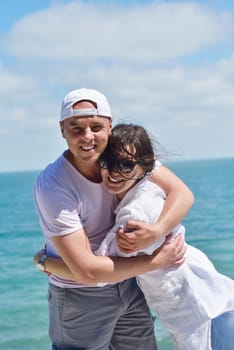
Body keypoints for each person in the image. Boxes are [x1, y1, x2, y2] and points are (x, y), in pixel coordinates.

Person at [37, 123, 234, 350]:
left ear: (145, 168)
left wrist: (44, 262)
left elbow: (94, 272)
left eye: (125, 165)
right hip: (205, 288)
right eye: (106, 162)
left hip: (193, 309)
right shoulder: (149, 188)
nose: (113, 172)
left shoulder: (133, 216)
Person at [33, 88, 194, 350]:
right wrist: (156, 260)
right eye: (76, 128)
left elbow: (182, 192)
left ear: (110, 126)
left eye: (96, 127)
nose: (87, 137)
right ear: (62, 130)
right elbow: (87, 271)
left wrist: (157, 230)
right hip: (80, 296)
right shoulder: (54, 185)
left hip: (130, 283)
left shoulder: (123, 158)